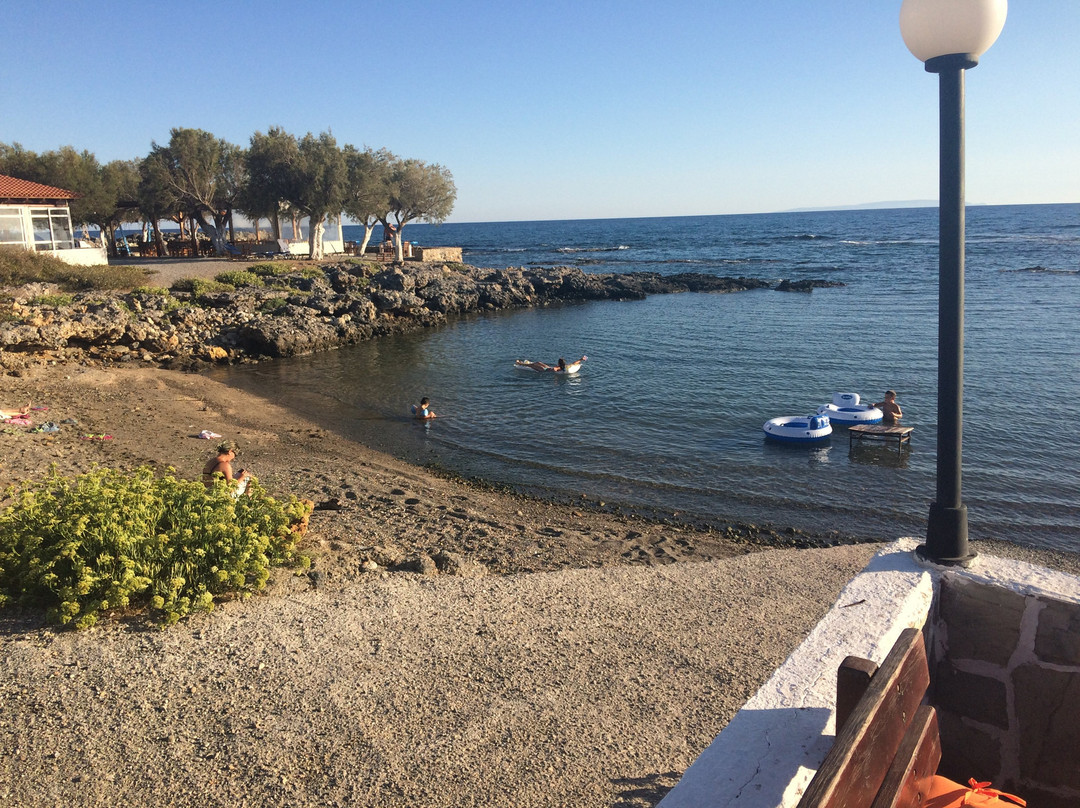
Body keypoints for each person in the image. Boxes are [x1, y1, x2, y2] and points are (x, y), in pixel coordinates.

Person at [514, 355, 587, 373]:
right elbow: (574, 363)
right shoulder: (565, 366)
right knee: (539, 362)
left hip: (544, 370)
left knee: (532, 365)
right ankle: (523, 363)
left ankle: (519, 363)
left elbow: (554, 370)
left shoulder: (561, 368)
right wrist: (581, 359)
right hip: (547, 368)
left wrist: (553, 369)